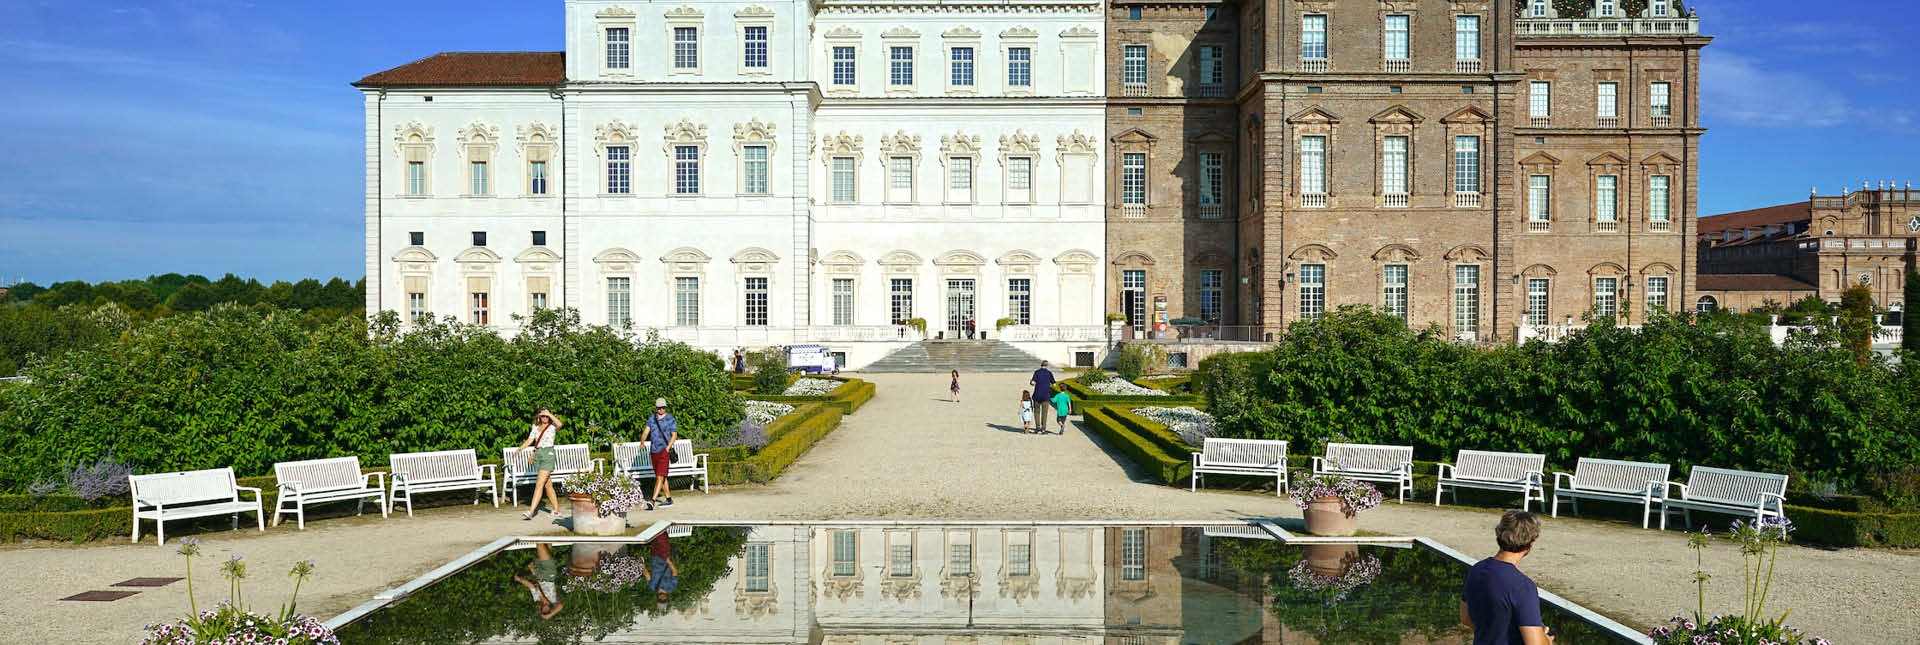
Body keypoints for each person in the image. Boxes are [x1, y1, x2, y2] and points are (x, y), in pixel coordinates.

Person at [1460, 510, 1554, 645]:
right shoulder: (1523, 586)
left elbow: (1466, 618)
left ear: (1499, 534)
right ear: (1530, 544)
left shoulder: (1477, 569)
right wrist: (1546, 640)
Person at [511, 408, 563, 520]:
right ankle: (557, 510)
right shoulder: (535, 427)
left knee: (539, 484)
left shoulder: (553, 425)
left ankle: (531, 512)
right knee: (547, 485)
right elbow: (530, 440)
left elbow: (560, 424)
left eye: (546, 415)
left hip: (548, 454)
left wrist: (549, 413)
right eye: (542, 415)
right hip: (538, 454)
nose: (545, 417)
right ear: (538, 416)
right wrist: (520, 449)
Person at [642, 398, 680, 507]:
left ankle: (652, 500)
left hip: (664, 451)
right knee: (662, 476)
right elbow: (646, 431)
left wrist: (668, 448)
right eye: (659, 408)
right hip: (654, 451)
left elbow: (674, 435)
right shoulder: (652, 419)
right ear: (656, 408)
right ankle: (669, 499)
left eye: (663, 407)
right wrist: (642, 441)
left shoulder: (670, 419)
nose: (661, 409)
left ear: (666, 407)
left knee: (660, 476)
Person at [512, 542, 564, 620]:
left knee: (546, 544)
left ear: (541, 610)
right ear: (550, 610)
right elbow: (561, 606)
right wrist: (549, 615)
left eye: (544, 612)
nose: (546, 610)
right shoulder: (553, 602)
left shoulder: (537, 599)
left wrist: (519, 579)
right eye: (548, 611)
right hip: (548, 574)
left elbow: (531, 586)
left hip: (538, 573)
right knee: (540, 544)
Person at [642, 534, 679, 612]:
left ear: (657, 599)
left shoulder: (653, 587)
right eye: (663, 600)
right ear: (666, 599)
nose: (662, 599)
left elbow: (647, 575)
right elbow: (675, 572)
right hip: (665, 557)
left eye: (660, 600)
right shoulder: (671, 587)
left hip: (654, 558)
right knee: (662, 536)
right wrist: (668, 561)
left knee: (654, 538)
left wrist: (642, 565)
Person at [1028, 360, 1056, 433]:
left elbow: (1033, 383)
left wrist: (1031, 382)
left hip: (1037, 394)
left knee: (1036, 411)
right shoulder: (1049, 373)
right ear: (1047, 366)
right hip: (1046, 395)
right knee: (1044, 412)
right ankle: (1043, 428)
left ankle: (1037, 427)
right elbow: (1054, 384)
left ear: (1041, 365)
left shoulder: (1037, 372)